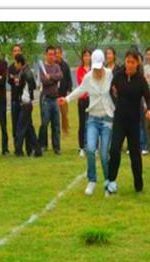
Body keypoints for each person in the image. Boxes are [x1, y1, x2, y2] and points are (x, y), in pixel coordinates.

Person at [60, 48, 114, 195]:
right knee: (90, 149)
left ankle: (109, 182)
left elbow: (116, 89)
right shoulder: (88, 77)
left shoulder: (109, 75)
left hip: (108, 119)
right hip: (93, 119)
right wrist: (67, 99)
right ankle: (92, 180)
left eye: (99, 67)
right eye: (95, 67)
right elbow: (80, 90)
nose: (97, 71)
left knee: (104, 154)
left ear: (103, 64)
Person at [106, 50, 150, 195]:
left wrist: (149, 110)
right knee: (114, 150)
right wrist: (114, 99)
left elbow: (148, 98)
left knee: (135, 154)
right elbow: (111, 91)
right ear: (125, 62)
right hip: (119, 120)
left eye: (133, 62)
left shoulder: (140, 79)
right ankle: (111, 182)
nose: (130, 64)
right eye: (128, 61)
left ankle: (138, 186)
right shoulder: (118, 76)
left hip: (134, 122)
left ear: (137, 63)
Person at [14, 55, 41, 157]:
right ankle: (38, 150)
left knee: (20, 128)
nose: (15, 65)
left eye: (16, 63)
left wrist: (20, 84)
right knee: (29, 129)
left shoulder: (25, 72)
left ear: (20, 63)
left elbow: (32, 85)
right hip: (26, 103)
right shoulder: (24, 71)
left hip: (26, 103)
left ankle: (19, 151)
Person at [38, 46, 63, 154]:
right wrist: (52, 79)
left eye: (53, 54)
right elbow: (44, 80)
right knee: (44, 123)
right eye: (50, 54)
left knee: (56, 124)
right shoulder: (42, 67)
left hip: (55, 99)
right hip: (46, 99)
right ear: (46, 55)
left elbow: (60, 76)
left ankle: (56, 147)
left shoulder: (57, 66)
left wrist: (51, 77)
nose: (52, 56)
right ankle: (43, 145)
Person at [75, 48, 92, 157]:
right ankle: (82, 147)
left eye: (88, 55)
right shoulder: (79, 69)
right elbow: (82, 84)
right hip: (82, 99)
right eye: (85, 55)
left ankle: (92, 147)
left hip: (92, 99)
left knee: (91, 123)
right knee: (82, 123)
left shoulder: (94, 69)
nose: (86, 58)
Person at [55, 46, 72, 136]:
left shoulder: (65, 66)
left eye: (58, 53)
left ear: (61, 54)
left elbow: (69, 79)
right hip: (54, 93)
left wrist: (69, 90)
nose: (56, 55)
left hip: (63, 93)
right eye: (55, 53)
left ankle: (65, 130)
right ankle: (56, 131)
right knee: (55, 115)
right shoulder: (52, 65)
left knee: (64, 114)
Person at [8, 44, 23, 143]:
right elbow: (9, 80)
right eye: (15, 51)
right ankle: (16, 144)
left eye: (18, 50)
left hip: (24, 99)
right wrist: (14, 79)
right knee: (15, 122)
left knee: (24, 122)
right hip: (14, 98)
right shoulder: (11, 68)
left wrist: (16, 79)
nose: (16, 52)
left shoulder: (24, 67)